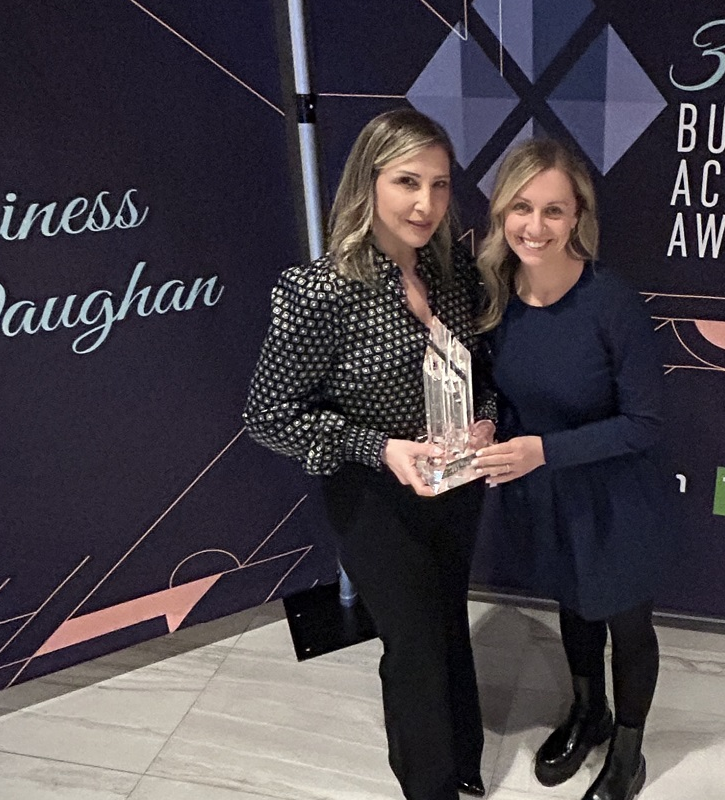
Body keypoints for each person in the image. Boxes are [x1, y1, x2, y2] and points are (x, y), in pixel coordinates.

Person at [243, 108, 496, 800]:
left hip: (457, 485)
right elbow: (266, 416)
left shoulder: (453, 271)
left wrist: (485, 423)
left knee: (448, 619)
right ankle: (431, 785)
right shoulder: (319, 291)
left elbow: (483, 370)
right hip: (373, 498)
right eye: (407, 181)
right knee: (412, 646)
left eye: (441, 186)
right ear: (369, 181)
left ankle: (464, 760)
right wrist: (378, 447)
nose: (426, 204)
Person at [471, 139, 669, 800]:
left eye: (553, 210)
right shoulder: (497, 296)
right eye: (521, 207)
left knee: (626, 627)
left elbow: (644, 423)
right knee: (573, 606)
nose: (534, 225)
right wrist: (487, 422)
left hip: (615, 500)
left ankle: (629, 752)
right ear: (501, 211)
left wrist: (543, 451)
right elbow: (496, 387)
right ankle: (589, 713)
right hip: (544, 495)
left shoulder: (612, 303)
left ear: (577, 214)